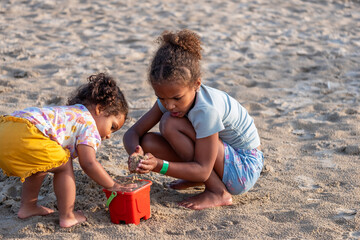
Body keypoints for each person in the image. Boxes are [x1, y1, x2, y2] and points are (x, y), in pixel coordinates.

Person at [123, 29, 264, 210]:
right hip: (222, 160)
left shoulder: (207, 110)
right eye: (161, 98)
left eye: (176, 98)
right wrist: (136, 152)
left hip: (243, 168)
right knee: (148, 141)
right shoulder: (171, 98)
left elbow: (204, 168)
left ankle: (218, 192)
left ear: (196, 84)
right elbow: (133, 132)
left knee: (169, 123)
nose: (169, 105)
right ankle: (195, 178)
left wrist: (159, 165)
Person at [0, 73, 129, 228]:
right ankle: (68, 216)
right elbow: (88, 163)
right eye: (112, 126)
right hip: (26, 134)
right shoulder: (88, 123)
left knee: (44, 164)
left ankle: (28, 206)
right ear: (99, 109)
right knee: (64, 164)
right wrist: (113, 185)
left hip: (8, 128)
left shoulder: (70, 112)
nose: (108, 135)